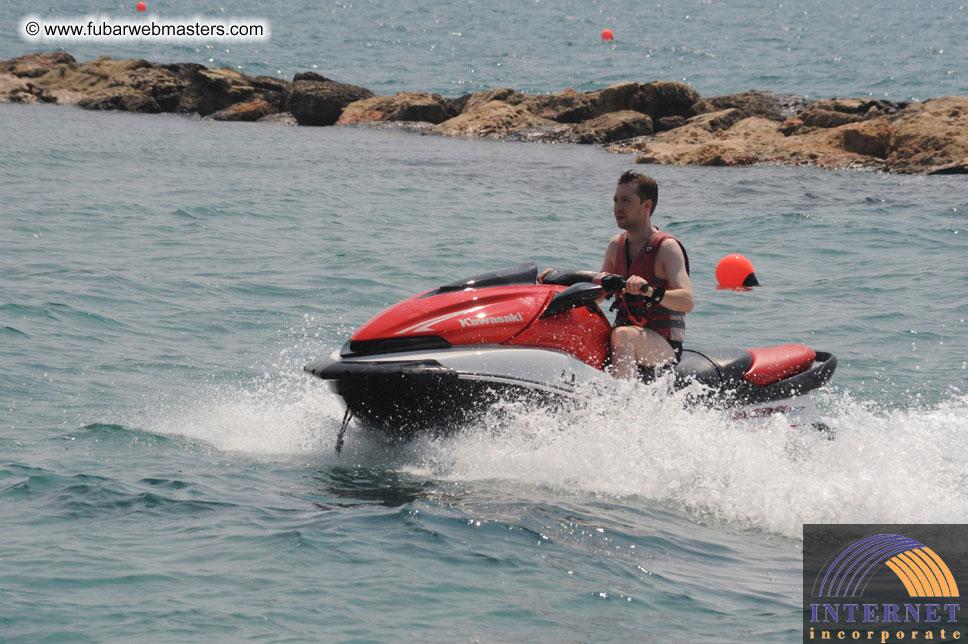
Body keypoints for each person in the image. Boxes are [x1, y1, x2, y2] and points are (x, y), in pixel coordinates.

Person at [602, 170, 694, 379]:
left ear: (646, 206)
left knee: (623, 335)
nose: (617, 207)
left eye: (626, 200)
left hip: (664, 344)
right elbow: (598, 293)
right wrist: (559, 284)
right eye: (615, 200)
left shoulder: (667, 248)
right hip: (628, 335)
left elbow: (687, 301)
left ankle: (623, 397)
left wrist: (649, 291)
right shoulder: (615, 246)